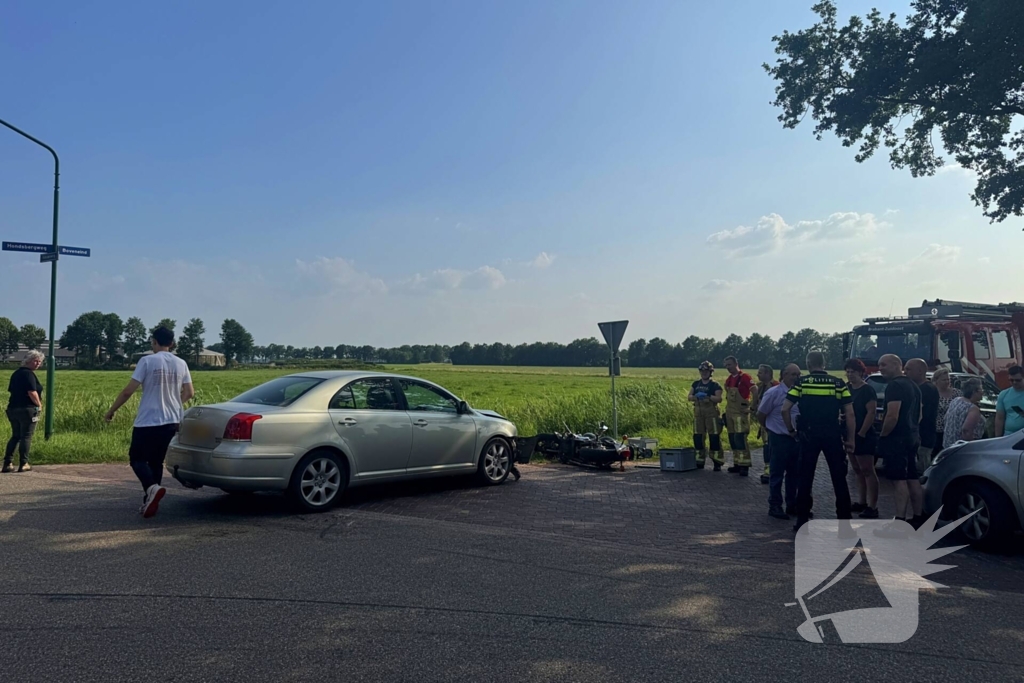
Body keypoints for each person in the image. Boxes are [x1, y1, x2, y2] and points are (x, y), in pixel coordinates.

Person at [104, 326, 194, 518]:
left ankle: (151, 488)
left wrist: (112, 410)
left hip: (149, 419)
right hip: (172, 420)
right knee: (156, 461)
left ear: (154, 341)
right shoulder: (181, 363)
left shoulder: (146, 361)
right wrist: (176, 403)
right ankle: (150, 501)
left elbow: (129, 390)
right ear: (172, 343)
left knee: (136, 458)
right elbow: (189, 393)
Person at [783, 351, 855, 532]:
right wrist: (850, 439)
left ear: (808, 364)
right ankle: (845, 525)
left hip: (808, 435)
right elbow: (850, 413)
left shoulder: (801, 383)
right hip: (832, 435)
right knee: (839, 479)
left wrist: (791, 431)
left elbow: (785, 410)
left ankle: (802, 521)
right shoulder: (838, 383)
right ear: (825, 363)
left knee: (805, 478)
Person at [876, 354, 925, 532]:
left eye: (884, 364)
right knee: (912, 477)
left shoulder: (894, 386)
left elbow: (892, 415)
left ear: (897, 365)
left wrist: (883, 435)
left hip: (897, 438)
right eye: (879, 365)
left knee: (899, 480)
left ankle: (900, 522)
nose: (880, 368)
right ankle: (918, 517)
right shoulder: (914, 385)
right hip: (912, 436)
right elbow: (919, 414)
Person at [757, 363, 802, 520]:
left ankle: (792, 504)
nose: (796, 378)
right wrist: (770, 429)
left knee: (794, 474)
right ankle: (775, 505)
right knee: (776, 474)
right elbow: (761, 414)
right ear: (783, 376)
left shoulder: (802, 393)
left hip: (796, 438)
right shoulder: (773, 393)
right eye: (792, 375)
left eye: (798, 374)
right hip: (779, 438)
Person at [843, 359, 879, 519]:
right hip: (849, 434)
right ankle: (861, 501)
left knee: (868, 470)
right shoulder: (847, 388)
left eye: (853, 372)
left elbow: (871, 413)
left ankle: (873, 505)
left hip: (863, 435)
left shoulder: (867, 390)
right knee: (857, 470)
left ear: (860, 373)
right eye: (848, 372)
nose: (850, 375)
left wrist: (862, 432)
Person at [4, 350, 45, 473]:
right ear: (28, 361)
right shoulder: (28, 374)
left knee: (15, 436)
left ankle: (7, 463)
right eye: (35, 361)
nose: (38, 363)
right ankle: (24, 463)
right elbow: (31, 391)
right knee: (26, 436)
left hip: (13, 408)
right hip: (27, 409)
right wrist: (39, 405)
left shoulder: (16, 374)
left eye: (40, 361)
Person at [688, 361, 725, 471]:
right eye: (702, 371)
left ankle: (717, 461)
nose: (704, 373)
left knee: (714, 437)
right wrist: (695, 396)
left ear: (710, 372)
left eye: (706, 371)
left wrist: (708, 396)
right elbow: (689, 396)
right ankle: (699, 460)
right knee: (698, 437)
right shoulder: (696, 384)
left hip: (711, 414)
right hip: (698, 414)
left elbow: (719, 398)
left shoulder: (715, 385)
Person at [905, 358, 939, 474]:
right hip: (920, 437)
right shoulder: (920, 388)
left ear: (920, 371)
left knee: (922, 472)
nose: (905, 372)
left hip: (923, 437)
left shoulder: (926, 389)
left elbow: (919, 414)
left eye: (908, 369)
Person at [723, 356, 755, 476]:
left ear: (736, 363)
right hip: (730, 412)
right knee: (732, 438)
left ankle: (744, 465)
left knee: (740, 438)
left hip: (741, 413)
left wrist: (752, 407)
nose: (728, 368)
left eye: (729, 365)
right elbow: (726, 389)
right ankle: (737, 463)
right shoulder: (729, 379)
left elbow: (755, 390)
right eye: (726, 366)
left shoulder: (745, 377)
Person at [943, 378, 986, 448]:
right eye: (981, 390)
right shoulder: (973, 409)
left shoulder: (955, 400)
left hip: (948, 447)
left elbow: (945, 419)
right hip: (962, 449)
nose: (983, 392)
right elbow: (966, 431)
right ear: (974, 392)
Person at [753, 364, 778, 485]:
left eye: (761, 372)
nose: (758, 374)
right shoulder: (760, 387)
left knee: (771, 447)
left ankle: (772, 471)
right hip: (764, 422)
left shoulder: (776, 386)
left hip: (773, 422)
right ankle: (768, 470)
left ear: (768, 374)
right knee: (766, 446)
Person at [932, 368, 962, 456]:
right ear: (936, 381)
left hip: (952, 430)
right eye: (944, 380)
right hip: (937, 430)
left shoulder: (957, 393)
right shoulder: (932, 392)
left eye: (948, 379)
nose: (947, 382)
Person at [995, 365, 1024, 437]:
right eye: (1011, 380)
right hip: (1009, 436)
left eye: (1018, 380)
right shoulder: (1004, 394)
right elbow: (999, 417)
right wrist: (998, 437)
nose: (1014, 382)